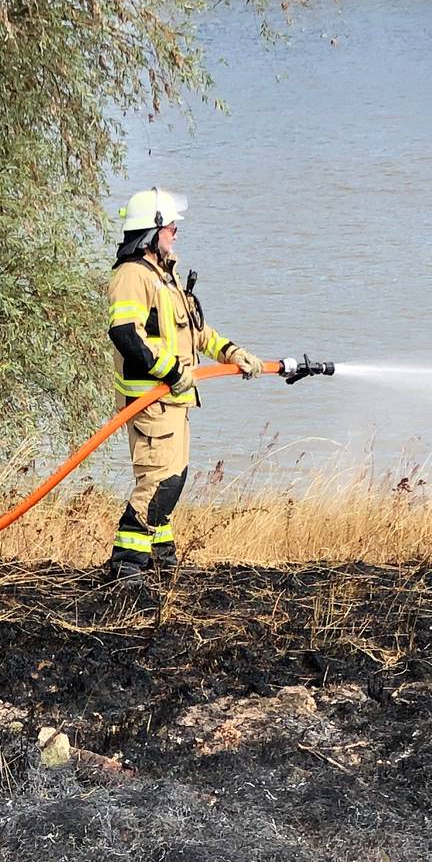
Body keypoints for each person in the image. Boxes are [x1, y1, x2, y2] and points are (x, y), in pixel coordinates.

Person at [101, 188, 262, 583]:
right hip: (151, 401)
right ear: (152, 231)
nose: (175, 233)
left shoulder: (165, 278)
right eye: (171, 227)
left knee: (174, 477)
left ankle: (160, 554)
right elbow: (124, 334)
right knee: (159, 480)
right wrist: (171, 372)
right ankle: (126, 562)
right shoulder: (133, 276)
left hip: (174, 401)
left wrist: (232, 352)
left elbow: (196, 332)